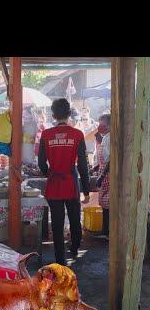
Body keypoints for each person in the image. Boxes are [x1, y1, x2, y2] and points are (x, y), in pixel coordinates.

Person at [38, 98, 90, 265]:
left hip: (54, 183)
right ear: (69, 113)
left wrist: (49, 173)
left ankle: (60, 260)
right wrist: (86, 189)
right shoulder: (77, 135)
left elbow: (41, 163)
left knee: (57, 222)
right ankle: (74, 249)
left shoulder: (46, 135)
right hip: (71, 182)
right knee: (75, 219)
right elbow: (83, 165)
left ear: (53, 115)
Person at [95, 114, 111, 240]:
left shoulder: (109, 138)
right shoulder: (105, 137)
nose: (100, 127)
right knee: (105, 204)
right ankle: (105, 231)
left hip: (109, 174)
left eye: (102, 124)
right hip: (103, 172)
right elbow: (101, 158)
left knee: (109, 203)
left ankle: (108, 232)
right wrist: (95, 168)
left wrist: (102, 175)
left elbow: (110, 159)